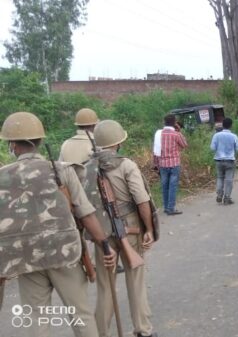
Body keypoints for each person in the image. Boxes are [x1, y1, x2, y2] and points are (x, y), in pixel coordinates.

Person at [0, 111, 116, 337]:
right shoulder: (61, 170)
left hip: (26, 257)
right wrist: (104, 245)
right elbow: (86, 214)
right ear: (39, 141)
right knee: (80, 314)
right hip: (65, 253)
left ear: (12, 145)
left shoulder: (2, 177)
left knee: (36, 317)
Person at [86, 120, 158, 337]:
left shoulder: (87, 168)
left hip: (101, 232)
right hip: (131, 228)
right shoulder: (127, 165)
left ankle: (100, 332)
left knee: (105, 286)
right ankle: (143, 329)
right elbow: (142, 200)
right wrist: (148, 229)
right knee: (136, 281)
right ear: (118, 142)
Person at [154, 114, 187, 215]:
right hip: (174, 164)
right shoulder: (176, 134)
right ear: (174, 123)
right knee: (172, 186)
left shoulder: (158, 134)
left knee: (165, 186)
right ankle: (171, 208)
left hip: (162, 164)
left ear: (164, 122)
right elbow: (184, 145)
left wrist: (155, 164)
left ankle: (166, 207)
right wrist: (179, 131)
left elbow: (155, 150)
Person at [211, 117, 238, 205]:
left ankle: (219, 195)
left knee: (220, 177)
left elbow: (212, 148)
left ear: (222, 125)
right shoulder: (234, 136)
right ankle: (227, 198)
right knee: (229, 180)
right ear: (231, 126)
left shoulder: (216, 135)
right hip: (230, 160)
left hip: (219, 160)